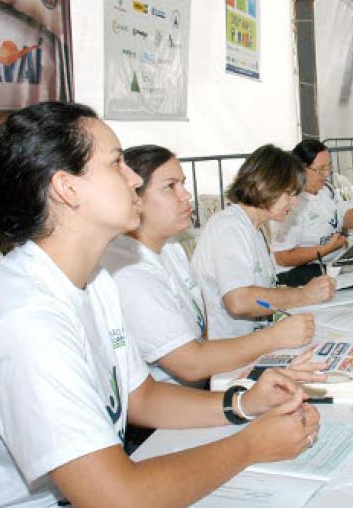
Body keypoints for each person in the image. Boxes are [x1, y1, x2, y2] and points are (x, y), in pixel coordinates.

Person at [0, 102, 320, 506]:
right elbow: (119, 499)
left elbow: (142, 397)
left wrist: (242, 403)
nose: (133, 178)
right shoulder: (25, 320)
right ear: (67, 188)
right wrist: (250, 446)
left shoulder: (94, 281)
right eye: (116, 164)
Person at [101, 145, 322, 387]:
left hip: (221, 361)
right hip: (202, 375)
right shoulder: (228, 227)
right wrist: (299, 299)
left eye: (183, 184)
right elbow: (239, 302)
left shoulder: (172, 248)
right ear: (134, 196)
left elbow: (207, 318)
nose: (186, 195)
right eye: (170, 187)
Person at [191, 145, 336, 340]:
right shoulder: (229, 227)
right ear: (264, 186)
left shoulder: (255, 228)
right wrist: (304, 295)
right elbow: (239, 301)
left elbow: (263, 300)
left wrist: (289, 307)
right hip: (230, 348)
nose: (294, 203)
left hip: (254, 336)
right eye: (290, 194)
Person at [272, 140, 353, 286]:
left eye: (328, 167)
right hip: (296, 272)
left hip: (332, 261)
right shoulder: (290, 204)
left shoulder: (326, 189)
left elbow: (343, 215)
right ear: (301, 169)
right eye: (320, 169)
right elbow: (282, 257)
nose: (326, 174)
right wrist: (327, 248)